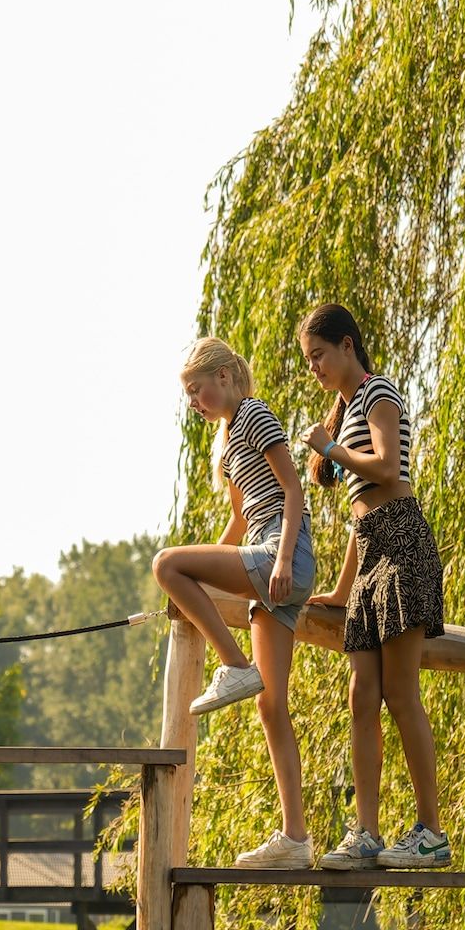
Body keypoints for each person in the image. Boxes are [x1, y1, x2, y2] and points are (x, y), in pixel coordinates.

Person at [152, 337, 318, 868]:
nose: (195, 403)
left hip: (281, 552)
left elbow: (293, 491)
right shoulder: (227, 442)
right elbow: (238, 523)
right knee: (271, 707)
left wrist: (285, 559)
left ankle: (233, 665)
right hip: (266, 557)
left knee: (166, 564)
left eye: (198, 391)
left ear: (224, 376)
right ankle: (296, 839)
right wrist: (199, 589)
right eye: (190, 397)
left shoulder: (252, 414)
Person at [297, 303, 452, 869]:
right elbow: (359, 517)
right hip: (371, 553)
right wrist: (342, 592)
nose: (314, 367)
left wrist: (331, 449)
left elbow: (388, 470)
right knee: (361, 696)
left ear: (346, 345)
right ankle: (366, 833)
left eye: (318, 355)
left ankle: (432, 833)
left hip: (404, 543)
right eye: (308, 360)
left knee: (399, 693)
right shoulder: (344, 410)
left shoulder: (378, 392)